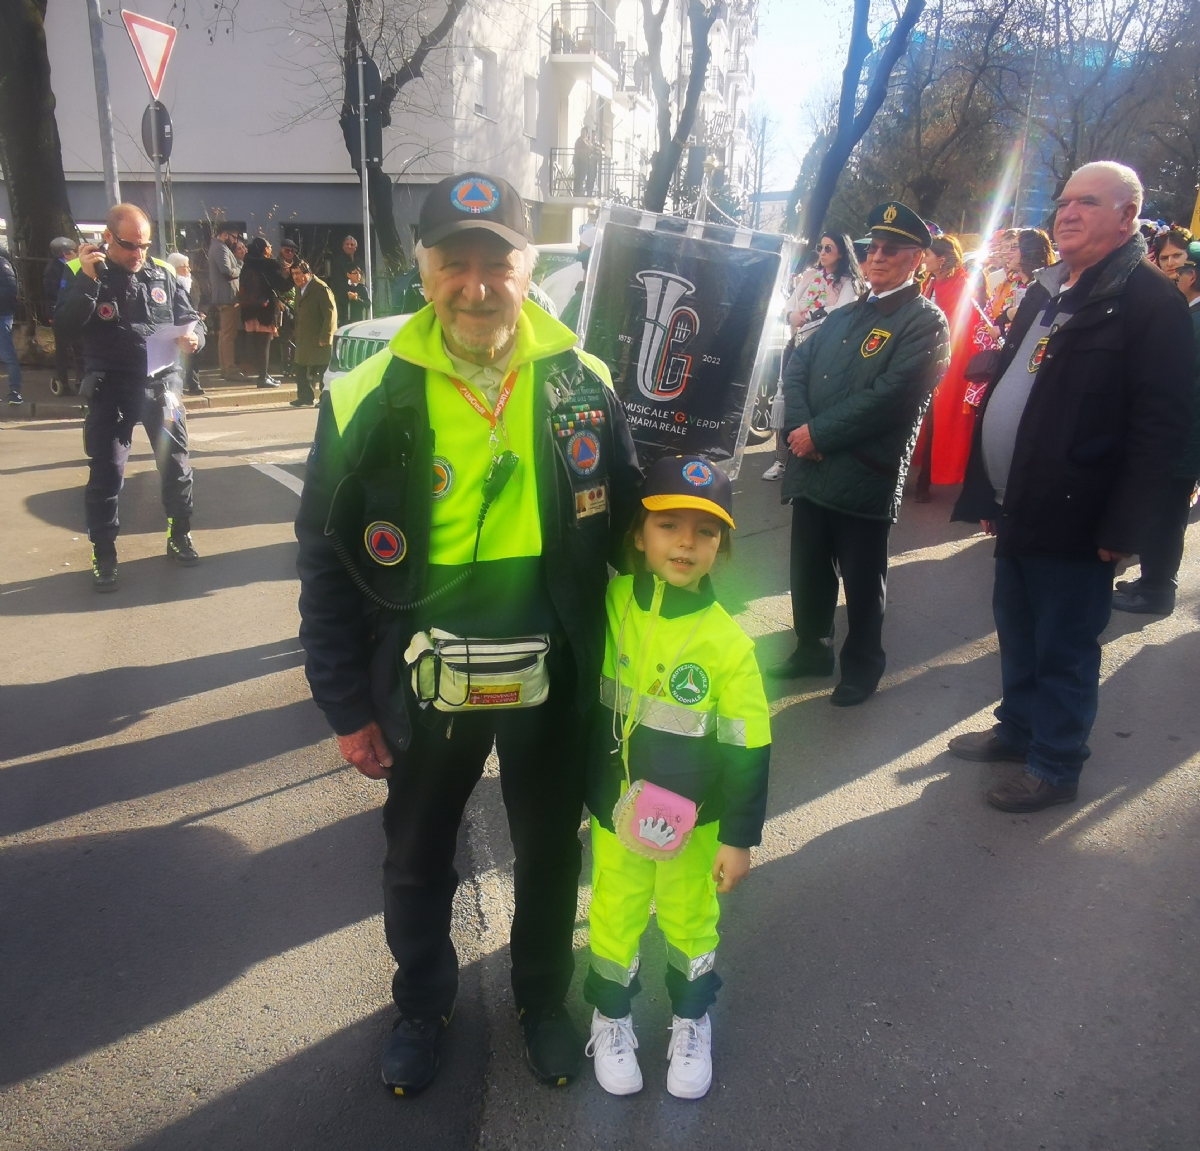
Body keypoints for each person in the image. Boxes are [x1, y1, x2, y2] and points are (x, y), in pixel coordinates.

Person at [295, 171, 641, 1095]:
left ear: (532, 270)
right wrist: (343, 702)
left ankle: (541, 998)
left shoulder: (583, 378)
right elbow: (323, 556)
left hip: (554, 665)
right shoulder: (367, 389)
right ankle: (423, 1003)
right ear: (424, 269)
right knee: (416, 855)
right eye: (457, 263)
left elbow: (636, 528)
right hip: (422, 670)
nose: (478, 285)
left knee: (549, 850)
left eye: (500, 262)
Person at [949, 161, 1193, 812]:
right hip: (1019, 503)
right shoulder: (1047, 289)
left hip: (1081, 517)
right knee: (1019, 628)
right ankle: (1018, 728)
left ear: (1126, 217)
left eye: (1089, 201)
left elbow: (1161, 430)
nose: (1068, 211)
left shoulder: (1150, 303)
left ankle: (1055, 764)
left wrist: (1124, 528)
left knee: (1063, 644)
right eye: (1063, 200)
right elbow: (1025, 383)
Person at [582, 455, 770, 1100]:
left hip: (697, 826)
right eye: (668, 524)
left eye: (706, 530)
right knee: (615, 917)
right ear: (639, 534)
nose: (686, 541)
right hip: (618, 814)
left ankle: (692, 1021)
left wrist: (738, 838)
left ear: (722, 545)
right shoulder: (606, 604)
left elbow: (750, 749)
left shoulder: (728, 644)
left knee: (692, 924)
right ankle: (611, 1018)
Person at [769, 201, 950, 706]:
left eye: (892, 250)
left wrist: (817, 435)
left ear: (916, 258)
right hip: (813, 463)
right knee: (807, 569)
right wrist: (799, 427)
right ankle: (811, 649)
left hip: (862, 471)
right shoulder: (847, 314)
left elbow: (891, 398)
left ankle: (863, 665)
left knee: (862, 579)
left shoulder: (925, 323)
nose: (878, 258)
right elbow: (798, 365)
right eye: (872, 248)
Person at [56, 203, 203, 591]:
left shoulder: (163, 273)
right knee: (107, 473)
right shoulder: (83, 272)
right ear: (108, 238)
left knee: (176, 463)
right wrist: (88, 280)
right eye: (129, 245)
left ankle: (179, 533)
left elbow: (191, 318)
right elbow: (65, 324)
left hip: (161, 385)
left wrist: (194, 339)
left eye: (145, 245)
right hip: (112, 389)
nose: (138, 254)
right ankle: (104, 552)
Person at [1112, 239, 1200, 615]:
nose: (1170, 273)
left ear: (1191, 275)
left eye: (1176, 268)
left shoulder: (1193, 317)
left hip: (1184, 436)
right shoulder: (1189, 311)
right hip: (1181, 434)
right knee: (1161, 512)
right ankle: (1150, 579)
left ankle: (1157, 589)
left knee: (1166, 516)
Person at [763, 233, 865, 481]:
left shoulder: (848, 282)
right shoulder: (810, 276)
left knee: (817, 399)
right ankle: (781, 459)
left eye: (829, 248)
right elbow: (789, 305)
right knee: (788, 399)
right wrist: (791, 316)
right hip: (797, 345)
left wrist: (809, 315)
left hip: (826, 351)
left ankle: (813, 451)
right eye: (820, 247)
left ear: (841, 252)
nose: (822, 252)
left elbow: (841, 310)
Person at [911, 235, 996, 496]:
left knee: (937, 418)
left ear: (943, 258)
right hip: (925, 353)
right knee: (922, 416)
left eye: (928, 255)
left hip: (948, 358)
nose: (924, 259)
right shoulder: (930, 282)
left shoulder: (962, 284)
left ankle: (927, 479)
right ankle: (922, 473)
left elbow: (962, 325)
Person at [238, 237, 289, 389]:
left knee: (258, 344)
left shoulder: (247, 264)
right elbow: (282, 286)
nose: (270, 249)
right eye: (268, 246)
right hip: (265, 310)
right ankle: (263, 377)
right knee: (265, 344)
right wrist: (292, 276)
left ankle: (264, 374)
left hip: (250, 310)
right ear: (264, 249)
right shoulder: (268, 265)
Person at [287, 260, 336, 407]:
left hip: (318, 336)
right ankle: (305, 397)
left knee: (322, 370)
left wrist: (326, 336)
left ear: (307, 273)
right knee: (301, 368)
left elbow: (330, 314)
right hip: (304, 336)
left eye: (298, 273)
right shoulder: (300, 288)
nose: (295, 277)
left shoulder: (320, 288)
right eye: (293, 274)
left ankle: (325, 399)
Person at [46, 237, 84, 394]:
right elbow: (51, 292)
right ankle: (62, 381)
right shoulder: (53, 269)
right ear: (65, 253)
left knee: (79, 348)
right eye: (72, 251)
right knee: (62, 349)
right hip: (60, 313)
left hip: (74, 314)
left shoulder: (73, 266)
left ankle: (82, 378)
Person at [166, 251, 205, 396]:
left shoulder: (192, 281)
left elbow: (203, 297)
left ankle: (194, 383)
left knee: (195, 352)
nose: (188, 270)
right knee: (179, 357)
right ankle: (179, 385)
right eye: (184, 267)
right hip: (177, 325)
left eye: (188, 266)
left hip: (194, 322)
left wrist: (202, 311)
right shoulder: (169, 283)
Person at [207, 224, 243, 380]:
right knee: (228, 335)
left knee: (224, 335)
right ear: (225, 234)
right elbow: (227, 271)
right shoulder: (220, 248)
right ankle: (229, 368)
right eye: (234, 237)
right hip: (227, 297)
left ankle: (225, 368)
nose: (235, 241)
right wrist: (240, 265)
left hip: (224, 297)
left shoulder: (216, 247)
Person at [0, 242, 22, 406]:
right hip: (5, 314)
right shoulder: (7, 265)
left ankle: (14, 393)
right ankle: (14, 392)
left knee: (8, 356)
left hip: (2, 315)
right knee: (9, 356)